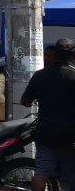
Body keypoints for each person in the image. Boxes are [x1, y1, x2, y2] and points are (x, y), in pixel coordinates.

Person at [21, 37, 75, 191]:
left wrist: (40, 98)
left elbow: (24, 101)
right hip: (68, 137)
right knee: (70, 176)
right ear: (73, 56)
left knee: (41, 173)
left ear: (54, 54)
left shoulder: (40, 75)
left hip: (44, 134)